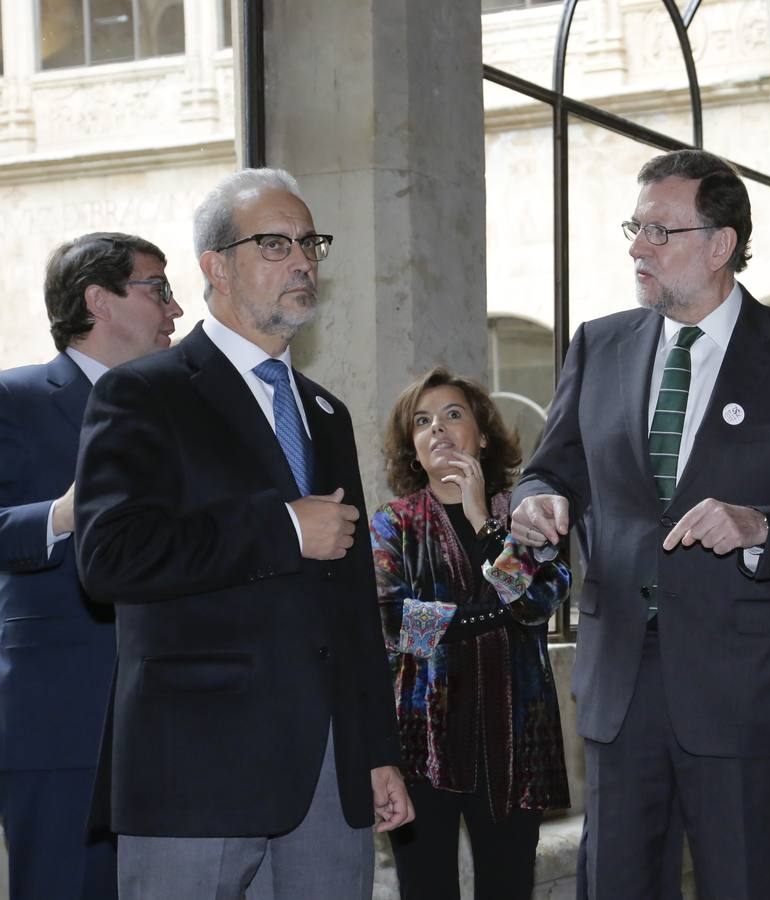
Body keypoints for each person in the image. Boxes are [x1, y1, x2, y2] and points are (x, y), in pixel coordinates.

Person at [510, 148, 770, 898]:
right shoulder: (601, 343)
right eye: (634, 227)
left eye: (659, 231)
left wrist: (759, 527)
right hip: (619, 682)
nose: (636, 247)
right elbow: (555, 465)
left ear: (721, 245)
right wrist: (539, 497)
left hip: (742, 690)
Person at [73, 168, 413, 899]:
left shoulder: (326, 413)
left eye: (309, 243)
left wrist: (375, 748)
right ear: (215, 268)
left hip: (328, 768)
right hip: (197, 764)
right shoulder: (143, 392)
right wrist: (281, 528)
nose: (302, 262)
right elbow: (109, 557)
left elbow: (351, 601)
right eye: (275, 244)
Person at [0, 232, 182, 900]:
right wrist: (65, 512)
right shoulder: (14, 398)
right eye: (159, 288)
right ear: (99, 300)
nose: (176, 309)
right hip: (62, 717)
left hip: (179, 711)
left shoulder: (179, 411)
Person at [370, 367, 569, 899]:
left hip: (516, 742)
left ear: (481, 434)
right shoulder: (394, 523)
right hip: (423, 743)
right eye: (422, 421)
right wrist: (494, 611)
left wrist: (485, 525)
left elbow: (537, 602)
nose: (437, 428)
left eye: (452, 414)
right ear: (413, 448)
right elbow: (396, 624)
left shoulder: (524, 515)